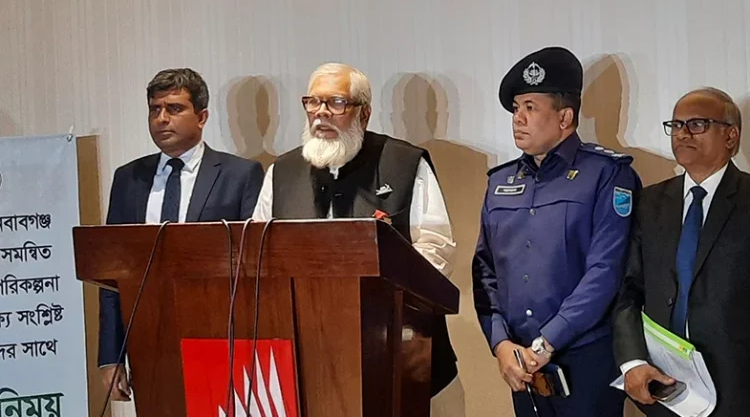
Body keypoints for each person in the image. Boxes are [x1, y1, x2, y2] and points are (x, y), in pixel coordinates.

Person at [252, 62, 464, 416]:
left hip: (401, 355)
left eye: (336, 103)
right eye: (313, 102)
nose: (321, 113)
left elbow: (435, 251)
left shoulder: (404, 163)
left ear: (363, 113)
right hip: (309, 361)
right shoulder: (282, 173)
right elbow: (260, 256)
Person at [472, 46, 641, 416]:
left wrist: (547, 342)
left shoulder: (607, 174)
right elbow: (485, 271)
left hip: (586, 360)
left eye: (530, 107)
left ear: (565, 117)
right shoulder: (500, 183)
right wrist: (500, 343)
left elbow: (606, 271)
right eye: (516, 108)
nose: (518, 118)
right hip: (521, 366)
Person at [99, 68, 264, 401]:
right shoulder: (128, 178)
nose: (161, 119)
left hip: (221, 339)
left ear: (201, 117)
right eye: (154, 109)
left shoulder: (240, 175)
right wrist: (110, 356)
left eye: (174, 109)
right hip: (149, 341)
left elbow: (252, 269)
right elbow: (112, 275)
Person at [613, 87, 748, 416]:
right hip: (664, 386)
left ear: (731, 135)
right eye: (676, 125)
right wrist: (633, 362)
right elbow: (628, 289)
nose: (683, 134)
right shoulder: (650, 203)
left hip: (738, 390)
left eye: (697, 124)